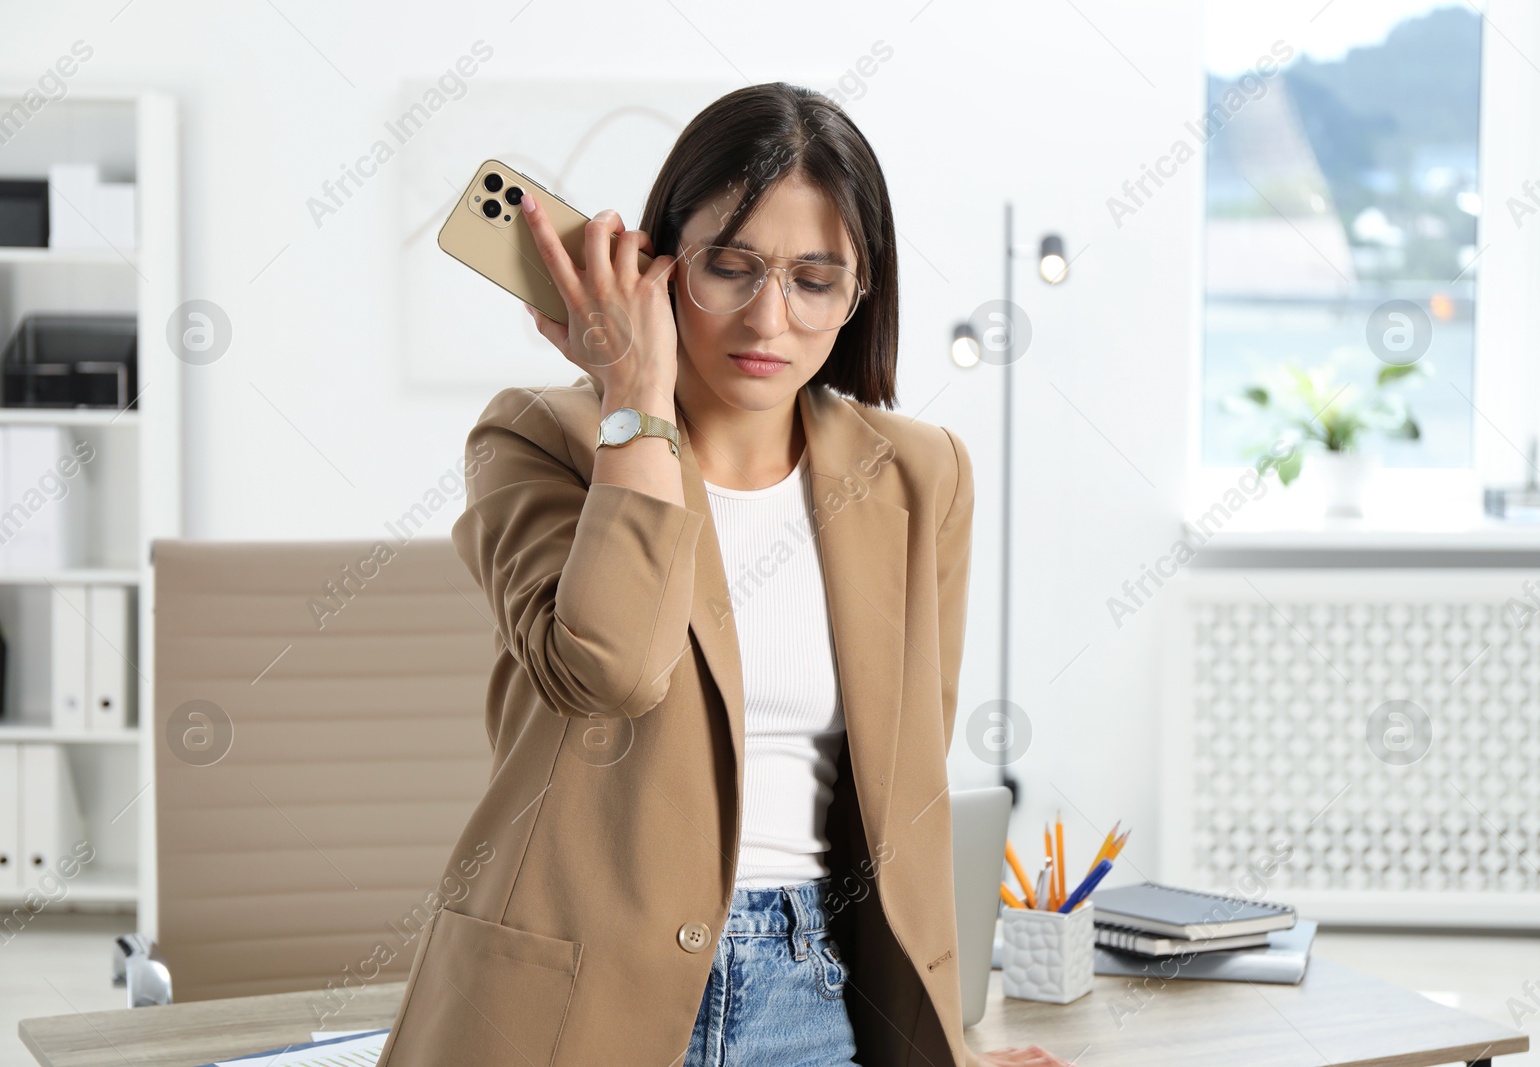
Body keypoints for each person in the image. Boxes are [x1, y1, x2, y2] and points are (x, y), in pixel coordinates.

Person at [375, 82, 1077, 1067]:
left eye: (813, 278)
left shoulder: (922, 474)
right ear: (661, 265)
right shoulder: (542, 436)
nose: (768, 318)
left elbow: (905, 774)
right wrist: (635, 400)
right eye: (730, 267)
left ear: (861, 289)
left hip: (816, 992)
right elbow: (611, 668)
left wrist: (940, 1046)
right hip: (574, 998)